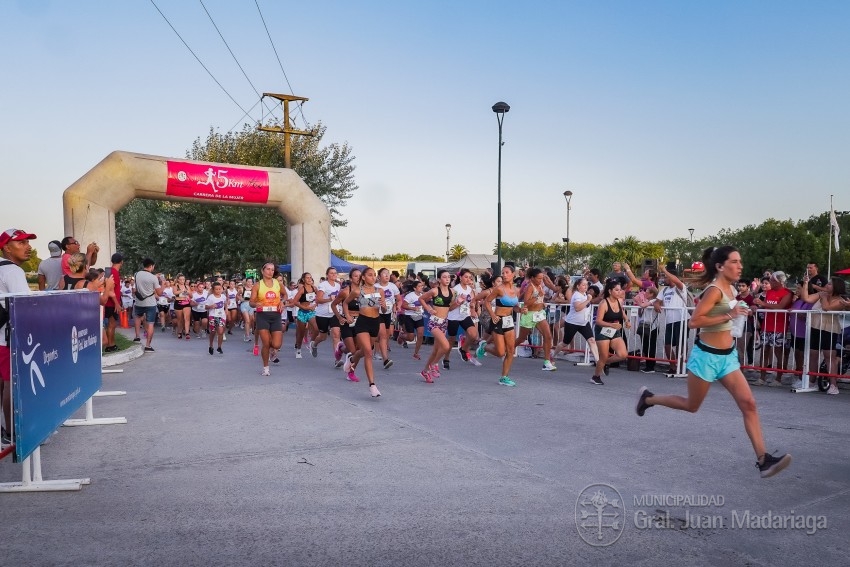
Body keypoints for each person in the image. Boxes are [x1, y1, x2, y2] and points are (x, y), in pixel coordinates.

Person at [0, 228, 37, 446]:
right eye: (21, 242)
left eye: (27, 242)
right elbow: (23, 307)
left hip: (0, 336)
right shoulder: (13, 271)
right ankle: (13, 433)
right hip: (8, 338)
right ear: (6, 247)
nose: (28, 246)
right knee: (10, 385)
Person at [799, 275, 850, 394]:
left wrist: (822, 297)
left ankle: (833, 385)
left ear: (836, 287)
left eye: (830, 284)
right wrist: (806, 284)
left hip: (830, 328)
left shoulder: (841, 300)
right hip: (815, 326)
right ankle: (811, 382)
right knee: (813, 354)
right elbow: (806, 298)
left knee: (829, 356)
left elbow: (827, 308)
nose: (827, 285)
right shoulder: (821, 294)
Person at [478, 265, 522, 387]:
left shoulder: (516, 290)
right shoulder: (499, 289)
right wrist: (492, 315)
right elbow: (487, 301)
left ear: (513, 274)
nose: (504, 274)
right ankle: (484, 346)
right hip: (498, 320)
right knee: (500, 352)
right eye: (503, 273)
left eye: (507, 272)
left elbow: (515, 306)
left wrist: (521, 310)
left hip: (508, 321)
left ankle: (504, 377)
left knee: (510, 350)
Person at [343, 267, 383, 397]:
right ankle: (372, 385)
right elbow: (345, 303)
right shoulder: (357, 291)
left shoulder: (380, 291)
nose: (373, 277)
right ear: (364, 278)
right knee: (368, 352)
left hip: (375, 322)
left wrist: (383, 305)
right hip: (362, 323)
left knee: (363, 351)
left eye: (374, 275)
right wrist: (347, 315)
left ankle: (351, 359)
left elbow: (384, 308)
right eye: (370, 275)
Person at [752, 271, 792, 387]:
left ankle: (778, 379)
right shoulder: (768, 292)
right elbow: (763, 304)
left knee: (778, 353)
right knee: (764, 352)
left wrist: (763, 304)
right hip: (766, 326)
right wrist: (756, 305)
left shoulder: (787, 293)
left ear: (779, 281)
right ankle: (762, 377)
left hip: (779, 327)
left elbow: (780, 306)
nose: (770, 282)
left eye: (772, 280)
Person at [516, 267, 557, 371]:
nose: (540, 280)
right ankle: (509, 349)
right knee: (521, 338)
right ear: (533, 278)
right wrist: (538, 296)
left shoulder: (540, 286)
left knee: (548, 336)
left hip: (539, 314)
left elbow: (541, 297)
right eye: (538, 278)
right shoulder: (530, 287)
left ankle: (547, 362)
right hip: (529, 314)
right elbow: (526, 302)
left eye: (541, 278)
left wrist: (541, 302)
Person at [590, 279, 630, 385]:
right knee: (603, 356)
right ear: (610, 291)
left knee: (623, 354)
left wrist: (626, 320)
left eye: (620, 290)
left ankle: (605, 363)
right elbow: (598, 321)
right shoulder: (603, 303)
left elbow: (621, 313)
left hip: (614, 330)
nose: (619, 292)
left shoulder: (619, 301)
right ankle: (596, 376)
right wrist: (612, 325)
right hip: (602, 330)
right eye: (616, 290)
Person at [418, 269, 455, 383]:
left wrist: (458, 303)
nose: (447, 279)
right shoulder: (434, 291)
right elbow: (421, 299)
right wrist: (429, 308)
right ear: (439, 279)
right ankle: (434, 365)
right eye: (444, 277)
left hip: (444, 322)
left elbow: (450, 308)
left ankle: (425, 371)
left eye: (449, 277)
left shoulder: (452, 292)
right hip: (434, 322)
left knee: (435, 350)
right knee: (446, 346)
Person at [553, 277, 600, 364]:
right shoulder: (577, 295)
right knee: (564, 343)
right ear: (578, 286)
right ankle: (553, 356)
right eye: (583, 285)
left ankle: (598, 362)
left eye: (586, 285)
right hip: (572, 323)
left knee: (591, 340)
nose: (585, 287)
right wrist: (588, 300)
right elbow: (578, 308)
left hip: (584, 323)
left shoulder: (585, 295)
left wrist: (588, 299)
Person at [250, 263, 284, 376]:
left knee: (277, 344)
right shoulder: (257, 285)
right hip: (262, 315)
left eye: (272, 270)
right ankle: (266, 368)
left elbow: (285, 295)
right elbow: (251, 302)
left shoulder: (277, 283)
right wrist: (256, 304)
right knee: (266, 343)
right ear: (262, 270)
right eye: (268, 269)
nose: (270, 272)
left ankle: (272, 351)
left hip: (275, 315)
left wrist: (282, 302)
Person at [445, 268, 483, 369]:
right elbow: (450, 307)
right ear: (460, 278)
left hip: (464, 316)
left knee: (474, 335)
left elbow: (472, 301)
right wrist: (458, 302)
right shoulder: (455, 290)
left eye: (469, 277)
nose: (468, 279)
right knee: (451, 339)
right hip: (453, 317)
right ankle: (446, 359)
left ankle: (463, 348)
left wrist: (473, 309)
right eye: (465, 277)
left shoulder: (470, 290)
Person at [654, 264, 688, 369]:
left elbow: (677, 281)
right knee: (667, 345)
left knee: (680, 345)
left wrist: (664, 270)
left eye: (666, 277)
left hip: (681, 319)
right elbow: (657, 301)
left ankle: (681, 366)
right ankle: (673, 367)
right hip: (669, 321)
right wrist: (656, 304)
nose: (664, 279)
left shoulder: (681, 287)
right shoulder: (664, 290)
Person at [132, 258, 164, 353]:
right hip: (150, 303)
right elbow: (159, 292)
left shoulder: (136, 274)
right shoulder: (153, 278)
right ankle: (148, 345)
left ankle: (137, 337)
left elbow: (134, 290)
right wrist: (163, 284)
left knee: (138, 318)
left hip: (139, 302)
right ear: (151, 266)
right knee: (150, 323)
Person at [312, 267, 342, 361]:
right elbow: (318, 299)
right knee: (323, 337)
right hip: (322, 314)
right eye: (331, 273)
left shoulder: (337, 285)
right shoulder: (323, 285)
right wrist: (330, 299)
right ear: (327, 275)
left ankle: (337, 359)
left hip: (334, 313)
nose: (334, 275)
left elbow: (338, 298)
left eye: (335, 273)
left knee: (336, 335)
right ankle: (314, 344)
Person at [293, 273, 319, 359]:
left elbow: (318, 299)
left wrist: (315, 305)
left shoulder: (314, 288)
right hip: (302, 313)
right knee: (301, 333)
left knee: (316, 329)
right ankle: (298, 349)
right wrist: (304, 307)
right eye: (307, 278)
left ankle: (311, 343)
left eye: (310, 278)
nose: (309, 279)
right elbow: (295, 301)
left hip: (311, 312)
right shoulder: (302, 289)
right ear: (303, 280)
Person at [102, 253, 124, 353]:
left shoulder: (108, 270)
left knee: (111, 324)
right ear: (121, 262)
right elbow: (110, 289)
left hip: (108, 302)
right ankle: (110, 345)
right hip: (111, 303)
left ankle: (112, 344)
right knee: (112, 324)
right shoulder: (114, 272)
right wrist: (117, 303)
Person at [204, 281, 227, 355]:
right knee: (213, 331)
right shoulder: (211, 297)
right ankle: (211, 345)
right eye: (216, 289)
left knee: (220, 331)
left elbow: (225, 303)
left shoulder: (223, 296)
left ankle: (219, 347)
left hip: (221, 315)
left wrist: (226, 309)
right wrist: (211, 306)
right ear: (213, 290)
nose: (218, 291)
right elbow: (206, 307)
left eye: (219, 289)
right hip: (213, 316)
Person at [172, 274, 192, 340]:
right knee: (180, 319)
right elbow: (174, 293)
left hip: (186, 303)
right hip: (178, 303)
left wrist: (188, 293)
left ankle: (187, 333)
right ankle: (179, 332)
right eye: (180, 279)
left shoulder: (187, 286)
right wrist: (181, 290)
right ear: (178, 280)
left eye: (183, 279)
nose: (182, 281)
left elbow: (191, 295)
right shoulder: (175, 286)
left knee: (187, 318)